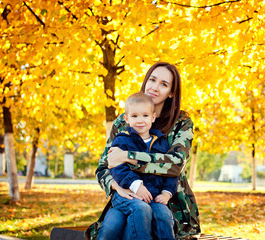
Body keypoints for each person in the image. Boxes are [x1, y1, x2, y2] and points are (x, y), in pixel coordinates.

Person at [85, 62, 201, 240]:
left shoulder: (182, 122)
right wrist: (118, 188)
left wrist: (128, 157)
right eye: (152, 80)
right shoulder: (123, 122)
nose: (155, 87)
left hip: (168, 202)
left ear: (171, 93)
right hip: (128, 197)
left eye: (164, 84)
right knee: (115, 225)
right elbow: (103, 167)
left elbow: (175, 164)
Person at [106, 92, 177, 240]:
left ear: (153, 117)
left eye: (145, 116)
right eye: (134, 116)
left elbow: (170, 171)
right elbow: (116, 168)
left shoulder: (161, 142)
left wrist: (166, 193)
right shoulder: (122, 140)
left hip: (154, 195)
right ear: (126, 119)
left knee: (163, 215)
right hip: (126, 193)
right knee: (141, 209)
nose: (140, 120)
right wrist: (135, 184)